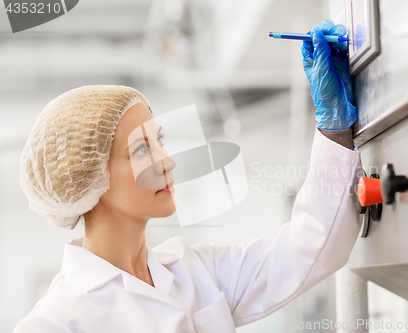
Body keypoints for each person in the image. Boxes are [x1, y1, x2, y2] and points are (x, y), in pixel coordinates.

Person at [13, 19, 361, 333]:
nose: (167, 162)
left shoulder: (194, 270)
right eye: (140, 150)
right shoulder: (55, 322)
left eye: (158, 141)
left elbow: (310, 249)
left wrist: (333, 124)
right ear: (89, 178)